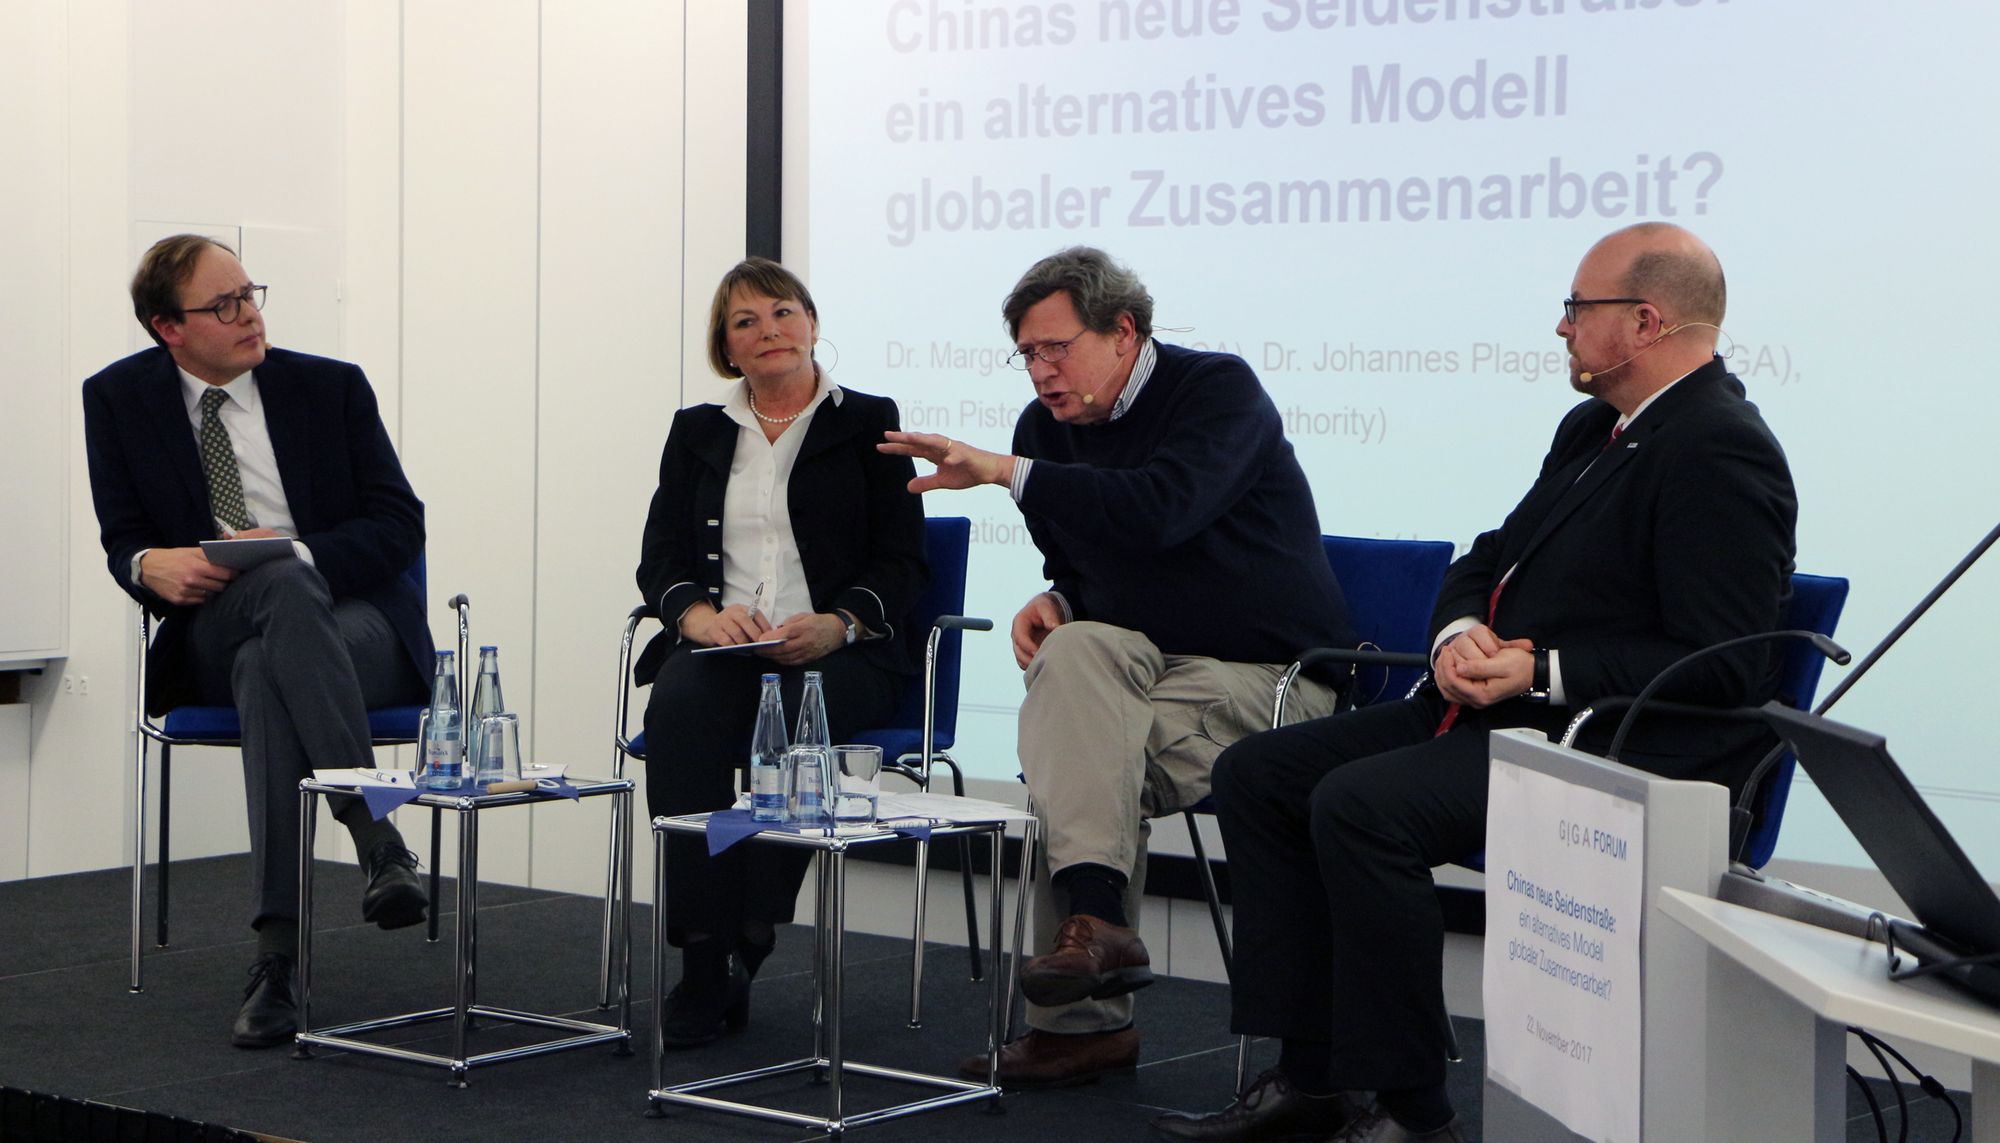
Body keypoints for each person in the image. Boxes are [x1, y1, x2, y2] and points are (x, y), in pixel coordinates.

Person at [1154, 222, 1798, 1142]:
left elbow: (1728, 659)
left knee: (1361, 805)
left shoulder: (1719, 446)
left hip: (1617, 747)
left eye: (1579, 308)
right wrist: (1460, 630)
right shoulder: (1595, 428)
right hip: (1500, 716)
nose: (1563, 328)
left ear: (1647, 319)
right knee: (1258, 773)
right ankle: (1313, 1077)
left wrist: (1543, 668)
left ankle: (1413, 1111)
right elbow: (1490, 557)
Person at [881, 246, 1355, 1086]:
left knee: (1081, 771)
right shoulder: (1044, 431)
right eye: (1027, 353)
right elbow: (1092, 563)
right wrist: (1062, 600)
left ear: (1124, 332)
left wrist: (1004, 472)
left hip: (1268, 672)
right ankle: (1098, 937)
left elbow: (1161, 512)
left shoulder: (1216, 392)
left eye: (1056, 347)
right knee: (1071, 656)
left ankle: (1080, 1022)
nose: (1041, 371)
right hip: (1138, 660)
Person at [82, 235, 434, 1048]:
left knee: (270, 638)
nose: (251, 315)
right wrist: (149, 563)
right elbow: (122, 538)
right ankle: (376, 836)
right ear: (168, 327)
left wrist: (297, 551)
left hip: (357, 624)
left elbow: (397, 523)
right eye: (226, 304)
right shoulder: (118, 399)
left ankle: (279, 957)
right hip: (213, 619)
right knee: (258, 627)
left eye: (251, 293)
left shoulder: (329, 388)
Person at [635, 256, 926, 1047]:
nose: (769, 330)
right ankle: (702, 959)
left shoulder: (869, 420)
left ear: (812, 323)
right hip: (729, 649)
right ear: (726, 348)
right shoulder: (696, 431)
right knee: (681, 705)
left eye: (783, 312)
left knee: (801, 715)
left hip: (839, 654)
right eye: (746, 321)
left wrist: (839, 623)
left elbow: (903, 561)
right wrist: (695, 617)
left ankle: (753, 928)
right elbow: (659, 558)